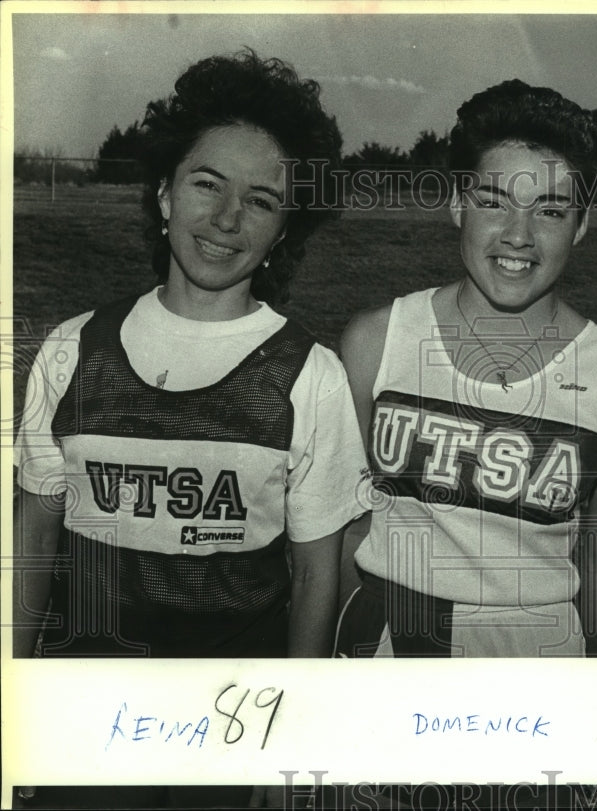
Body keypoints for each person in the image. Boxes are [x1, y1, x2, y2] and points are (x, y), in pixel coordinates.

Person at [13, 50, 368, 663]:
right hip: (88, 701)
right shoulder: (72, 349)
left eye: (260, 200)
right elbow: (35, 537)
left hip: (236, 709)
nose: (227, 219)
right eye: (207, 184)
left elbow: (316, 575)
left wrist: (301, 704)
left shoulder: (312, 375)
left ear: (284, 228)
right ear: (164, 194)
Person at [335, 79, 597, 658]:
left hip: (539, 647)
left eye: (550, 211)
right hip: (388, 632)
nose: (518, 235)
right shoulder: (375, 341)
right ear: (458, 204)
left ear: (581, 225)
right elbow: (343, 527)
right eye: (493, 202)